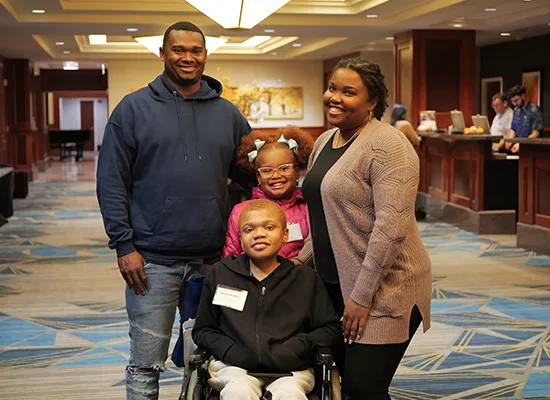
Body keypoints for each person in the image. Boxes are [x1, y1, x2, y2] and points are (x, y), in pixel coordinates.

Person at [96, 21, 251, 399]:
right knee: (146, 363)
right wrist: (123, 246)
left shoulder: (228, 114)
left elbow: (250, 175)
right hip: (151, 261)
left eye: (195, 50)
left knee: (210, 361)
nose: (187, 57)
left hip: (214, 260)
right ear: (162, 54)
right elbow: (111, 181)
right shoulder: (132, 109)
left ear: (205, 55)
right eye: (178, 50)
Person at [295, 58, 432, 399]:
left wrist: (360, 296)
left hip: (385, 288)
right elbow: (324, 217)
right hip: (335, 284)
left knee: (364, 387)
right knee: (339, 379)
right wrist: (297, 264)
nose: (335, 97)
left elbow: (391, 228)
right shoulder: (326, 140)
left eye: (349, 92)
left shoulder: (388, 145)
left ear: (372, 102)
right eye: (332, 88)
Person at [192, 199, 341, 400]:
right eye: (248, 230)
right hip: (234, 366)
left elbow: (330, 329)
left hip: (291, 367)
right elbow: (203, 330)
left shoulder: (305, 278)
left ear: (285, 235)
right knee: (239, 391)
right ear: (241, 239)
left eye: (269, 227)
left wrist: (294, 348)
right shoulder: (221, 274)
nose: (259, 234)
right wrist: (232, 350)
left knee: (289, 395)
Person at [223, 125, 314, 260]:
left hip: (298, 278)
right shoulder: (241, 211)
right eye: (267, 170)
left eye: (284, 168)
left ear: (297, 173)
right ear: (258, 177)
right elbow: (231, 256)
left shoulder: (309, 208)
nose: (276, 176)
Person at [505, 85, 544, 154]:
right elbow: (513, 129)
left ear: (523, 96)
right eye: (512, 101)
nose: (514, 104)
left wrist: (522, 144)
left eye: (516, 100)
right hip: (516, 147)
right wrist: (510, 140)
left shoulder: (535, 110)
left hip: (530, 149)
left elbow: (536, 133)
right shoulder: (516, 110)